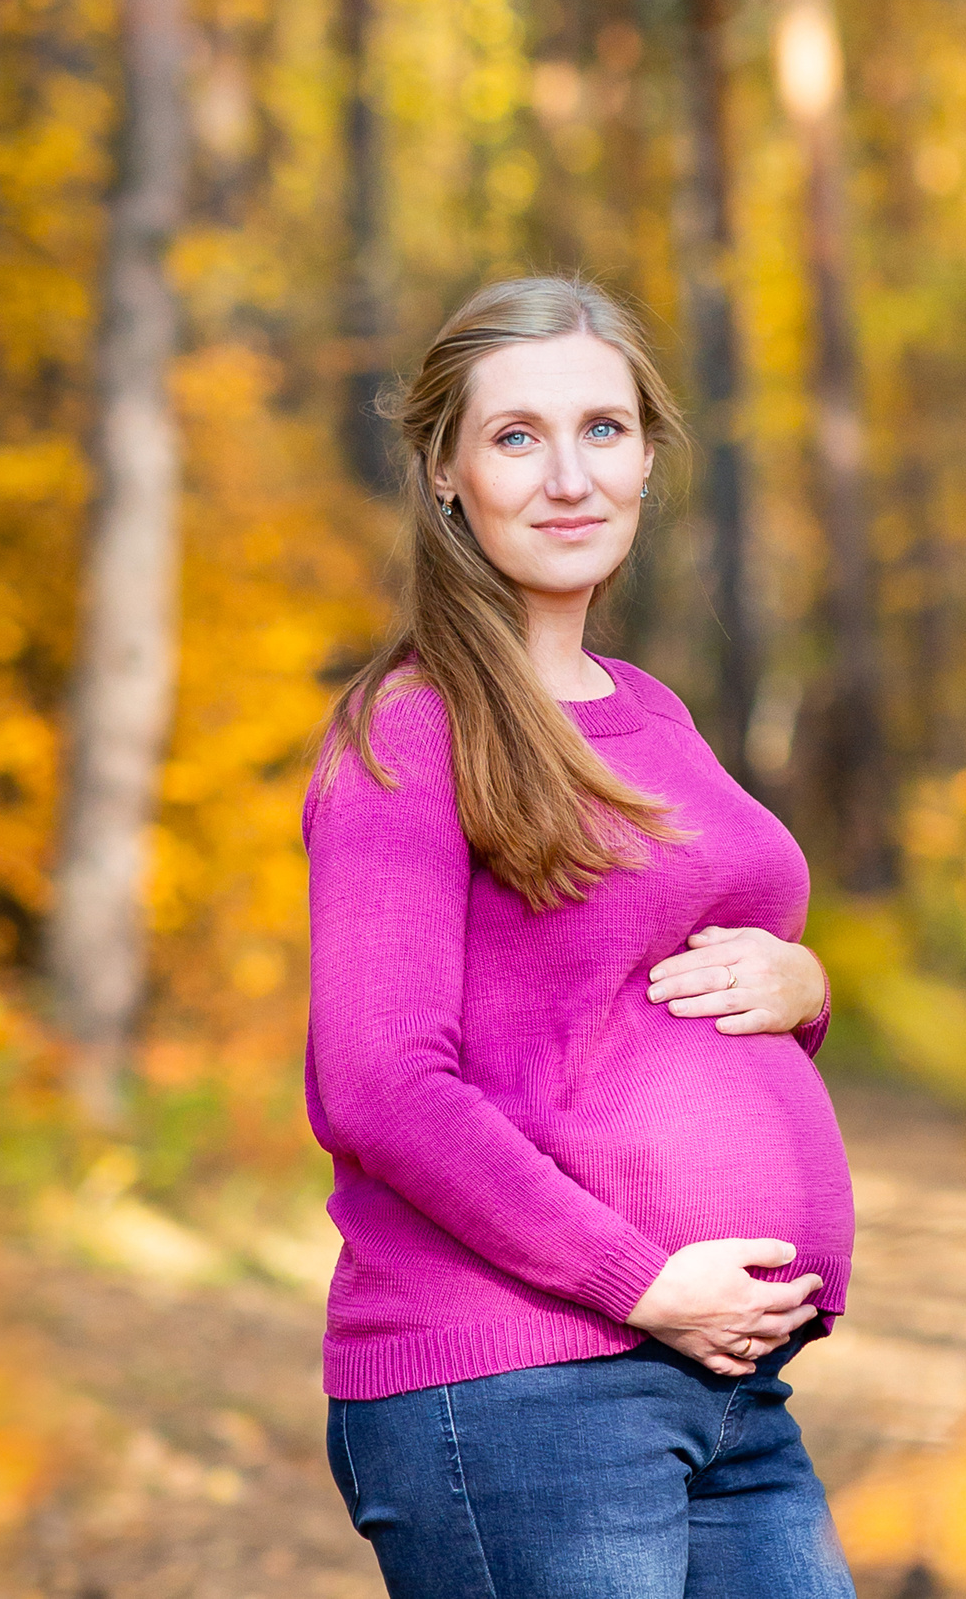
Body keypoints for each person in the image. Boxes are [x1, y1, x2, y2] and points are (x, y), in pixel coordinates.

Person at [304, 273, 859, 1598]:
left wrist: (807, 982)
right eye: (516, 437)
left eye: (603, 430)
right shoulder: (411, 730)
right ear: (445, 471)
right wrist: (640, 1280)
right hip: (518, 1386)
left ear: (651, 456)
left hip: (723, 1391)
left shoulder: (650, 710)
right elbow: (378, 1090)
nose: (568, 476)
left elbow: (672, 970)